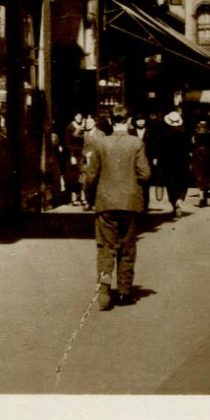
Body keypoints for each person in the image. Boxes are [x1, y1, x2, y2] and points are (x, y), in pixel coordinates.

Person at [82, 115, 151, 310]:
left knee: (106, 247)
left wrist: (91, 192)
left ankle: (104, 284)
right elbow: (145, 173)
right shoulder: (136, 143)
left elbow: (91, 175)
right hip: (129, 202)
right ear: (128, 120)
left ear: (111, 122)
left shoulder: (101, 143)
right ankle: (124, 292)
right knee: (127, 247)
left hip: (105, 203)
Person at [154, 110, 192, 217]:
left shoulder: (163, 135)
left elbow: (160, 151)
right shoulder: (185, 135)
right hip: (182, 163)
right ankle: (180, 199)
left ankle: (174, 202)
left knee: (171, 186)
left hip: (168, 164)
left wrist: (159, 165)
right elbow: (189, 149)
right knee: (182, 184)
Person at [190, 120, 210, 207]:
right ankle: (203, 194)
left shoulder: (195, 135)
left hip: (197, 156)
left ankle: (201, 196)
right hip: (208, 156)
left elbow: (192, 146)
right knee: (206, 175)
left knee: (199, 176)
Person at [62, 114, 89, 206]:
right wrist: (71, 156)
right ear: (74, 117)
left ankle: (82, 197)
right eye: (77, 116)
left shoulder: (83, 127)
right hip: (73, 154)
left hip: (81, 153)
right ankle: (73, 198)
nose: (79, 118)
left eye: (81, 117)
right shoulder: (70, 127)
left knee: (82, 176)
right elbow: (67, 143)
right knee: (73, 177)